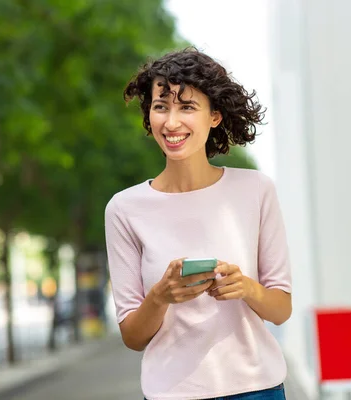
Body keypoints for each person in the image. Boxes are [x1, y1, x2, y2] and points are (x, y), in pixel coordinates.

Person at [104, 48, 292, 400]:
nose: (171, 122)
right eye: (161, 106)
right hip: (171, 393)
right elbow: (133, 336)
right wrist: (160, 296)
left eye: (187, 107)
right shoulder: (124, 209)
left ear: (215, 115)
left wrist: (246, 287)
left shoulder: (256, 190)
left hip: (256, 389)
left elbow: (281, 309)